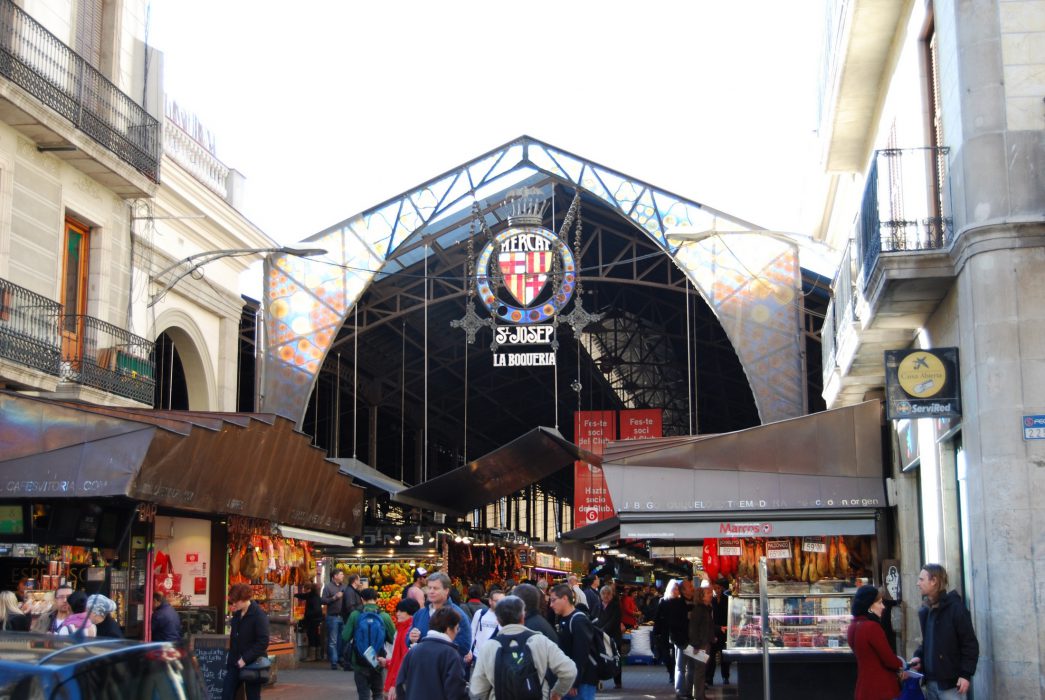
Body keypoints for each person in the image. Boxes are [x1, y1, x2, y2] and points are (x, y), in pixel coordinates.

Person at [469, 594, 577, 700]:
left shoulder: (489, 647)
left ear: (498, 620)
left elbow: (477, 690)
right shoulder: (539, 641)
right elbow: (569, 671)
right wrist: (556, 693)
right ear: (523, 616)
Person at [910, 564, 979, 699]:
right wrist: (918, 656)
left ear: (934, 581)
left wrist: (965, 675)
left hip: (951, 686)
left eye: (921, 579)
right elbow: (928, 642)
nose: (918, 583)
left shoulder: (956, 609)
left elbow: (970, 645)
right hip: (930, 683)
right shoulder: (927, 610)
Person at [394, 606, 468, 700]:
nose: (457, 632)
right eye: (457, 628)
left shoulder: (413, 651)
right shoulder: (451, 654)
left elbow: (400, 684)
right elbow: (456, 692)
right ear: (449, 629)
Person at [847, 585, 903, 700]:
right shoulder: (872, 627)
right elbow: (889, 660)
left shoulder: (852, 627)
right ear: (869, 607)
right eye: (879, 603)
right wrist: (901, 664)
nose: (883, 607)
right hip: (881, 689)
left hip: (863, 688)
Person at [342, 587, 396, 700]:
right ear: (376, 599)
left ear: (362, 599)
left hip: (359, 661)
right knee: (378, 694)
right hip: (378, 661)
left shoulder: (355, 615)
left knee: (363, 695)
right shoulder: (384, 616)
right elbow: (393, 639)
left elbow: (345, 636)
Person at [408, 572, 473, 661]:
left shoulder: (458, 614)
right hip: (421, 666)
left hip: (446, 668)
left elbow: (464, 646)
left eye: (435, 588)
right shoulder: (420, 614)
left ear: (446, 590)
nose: (431, 591)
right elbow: (408, 637)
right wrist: (410, 638)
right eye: (429, 588)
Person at [549, 584, 599, 700]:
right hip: (572, 679)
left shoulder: (578, 620)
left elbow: (581, 654)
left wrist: (574, 682)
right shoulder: (564, 619)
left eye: (553, 600)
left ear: (565, 598)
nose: (551, 605)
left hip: (582, 681)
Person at [222, 583, 269, 700]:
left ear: (244, 599)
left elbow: (263, 642)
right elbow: (235, 638)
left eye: (236, 601)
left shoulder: (258, 615)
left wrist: (245, 659)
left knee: (252, 696)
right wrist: (231, 662)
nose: (233, 604)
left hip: (252, 663)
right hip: (235, 662)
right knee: (227, 694)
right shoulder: (237, 614)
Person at [383, 598, 419, 700]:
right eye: (397, 610)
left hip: (401, 682)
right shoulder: (402, 629)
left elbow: (403, 661)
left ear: (411, 612)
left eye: (401, 611)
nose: (397, 613)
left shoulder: (407, 632)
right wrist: (387, 662)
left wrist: (395, 685)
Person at [321, 569, 349, 669]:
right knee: (333, 640)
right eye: (341, 574)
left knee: (342, 639)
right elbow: (323, 600)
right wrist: (334, 597)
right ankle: (334, 661)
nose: (343, 576)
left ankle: (340, 659)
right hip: (332, 617)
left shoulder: (344, 587)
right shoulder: (328, 587)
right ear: (335, 576)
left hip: (343, 617)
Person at [596, 585, 623, 689]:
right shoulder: (598, 605)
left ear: (612, 595)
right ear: (600, 595)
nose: (606, 596)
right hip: (600, 637)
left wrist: (603, 630)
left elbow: (614, 621)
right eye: (603, 594)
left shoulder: (616, 605)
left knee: (616, 659)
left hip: (613, 636)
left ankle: (618, 682)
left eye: (608, 594)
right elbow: (594, 618)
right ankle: (597, 681)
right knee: (599, 658)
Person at [707, 578, 731, 686]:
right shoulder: (711, 601)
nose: (717, 590)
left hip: (725, 630)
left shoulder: (728, 600)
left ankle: (725, 676)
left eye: (719, 588)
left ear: (722, 588)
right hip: (714, 630)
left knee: (725, 656)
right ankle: (709, 677)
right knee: (711, 656)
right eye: (715, 588)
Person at [470, 587, 504, 658]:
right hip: (478, 655)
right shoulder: (480, 613)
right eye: (497, 601)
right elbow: (472, 632)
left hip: (496, 657)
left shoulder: (506, 617)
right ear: (490, 601)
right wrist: (469, 650)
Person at [294, 582, 324, 661]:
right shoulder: (316, 596)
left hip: (312, 620)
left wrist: (306, 616)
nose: (304, 591)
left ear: (309, 589)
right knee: (316, 637)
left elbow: (303, 596)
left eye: (305, 589)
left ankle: (312, 656)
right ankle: (318, 656)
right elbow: (303, 596)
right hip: (317, 620)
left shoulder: (311, 596)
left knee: (311, 637)